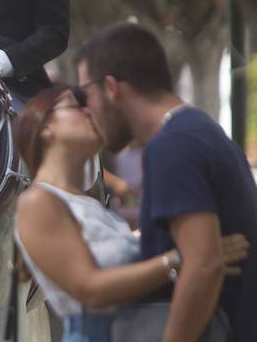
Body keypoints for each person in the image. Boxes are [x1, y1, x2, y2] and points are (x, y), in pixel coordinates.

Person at [13, 84, 249, 341]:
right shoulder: (37, 201)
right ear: (46, 128)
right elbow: (90, 288)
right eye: (75, 106)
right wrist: (181, 260)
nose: (89, 110)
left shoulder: (88, 204)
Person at [74, 22, 257, 341]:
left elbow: (203, 266)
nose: (85, 110)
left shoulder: (171, 146)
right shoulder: (200, 131)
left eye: (84, 94)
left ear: (112, 87)